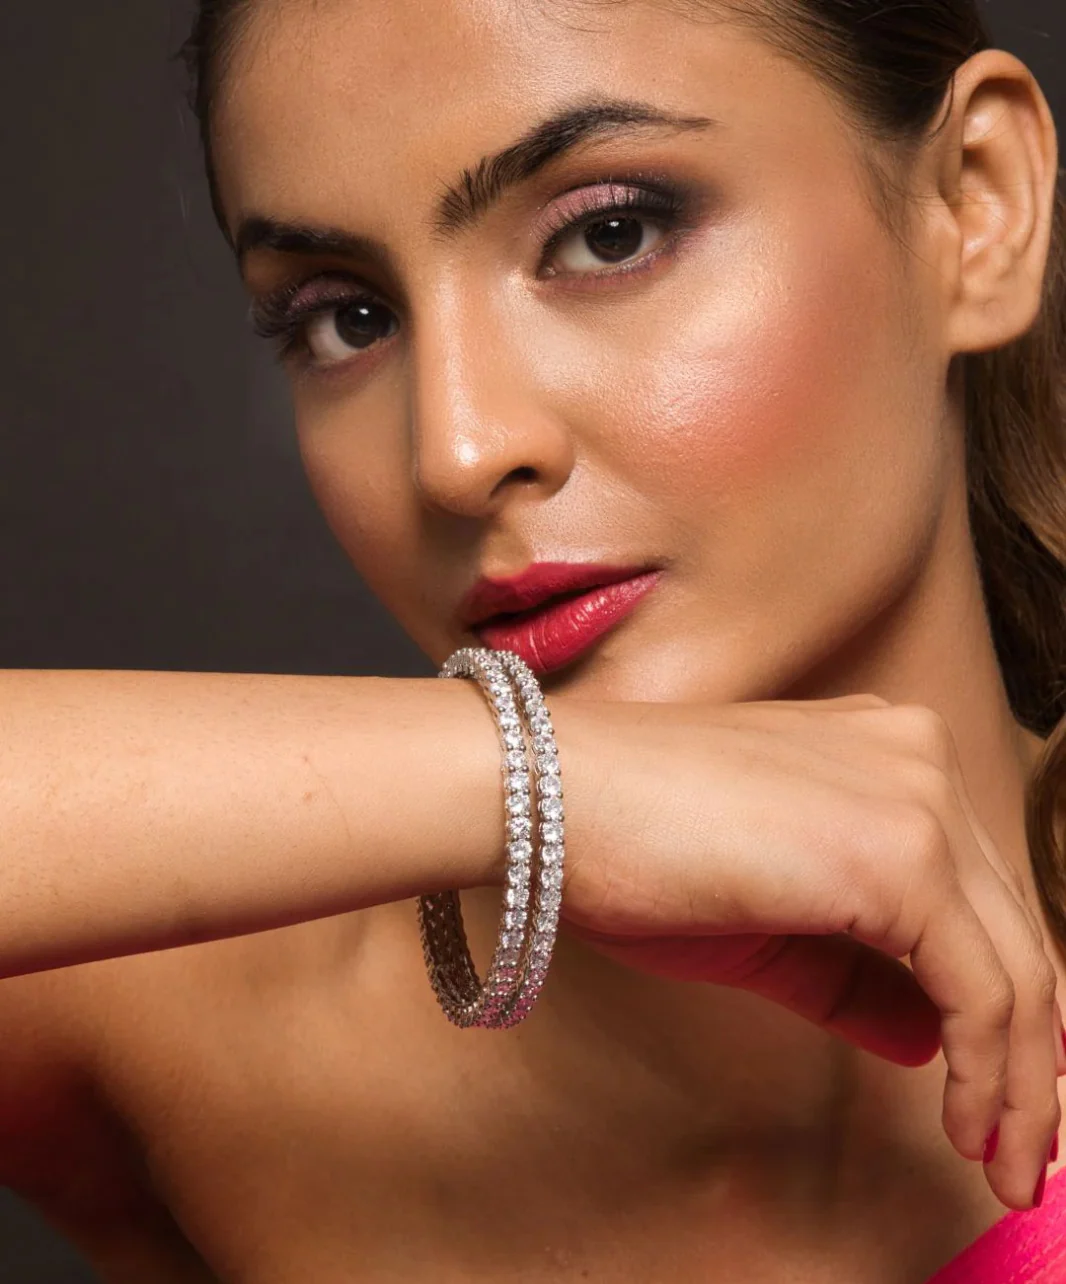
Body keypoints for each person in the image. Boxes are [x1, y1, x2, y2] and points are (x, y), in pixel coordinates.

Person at [0, 0, 1065, 1278]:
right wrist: (529, 784)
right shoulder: (194, 1030)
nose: (453, 452)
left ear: (976, 207)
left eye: (610, 234)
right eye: (346, 318)